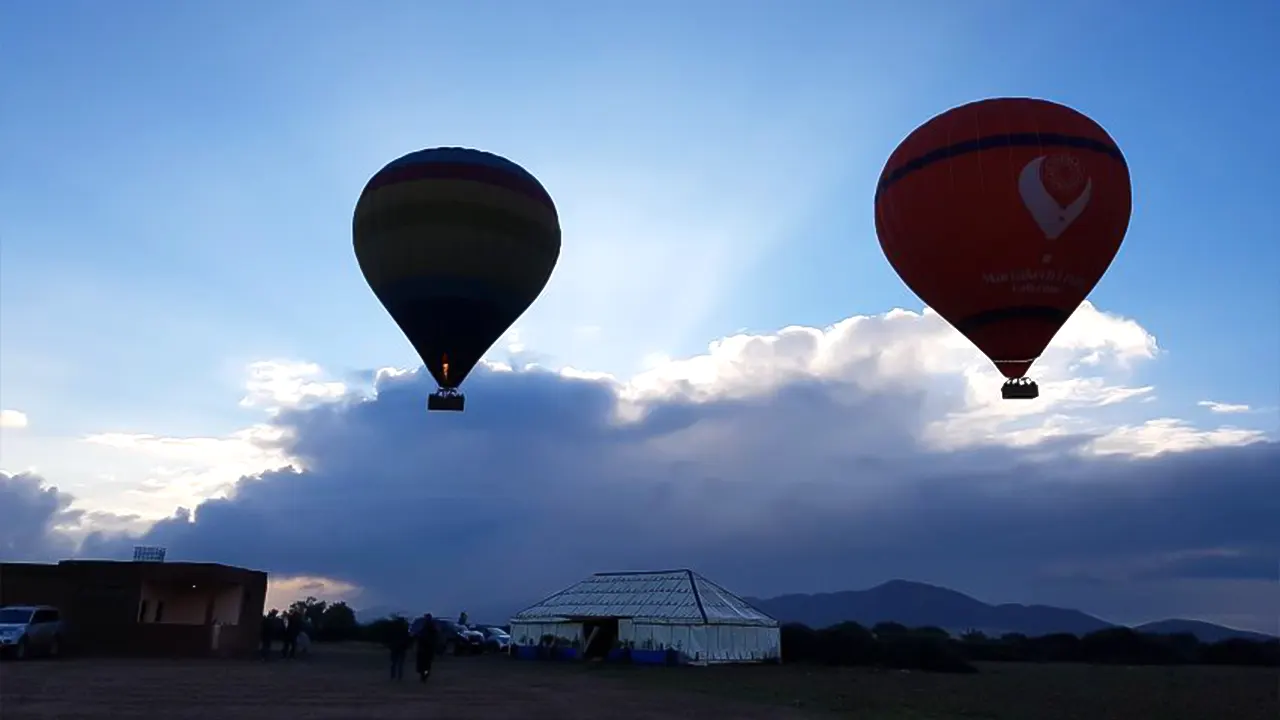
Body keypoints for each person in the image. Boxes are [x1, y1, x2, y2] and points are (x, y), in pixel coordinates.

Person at [414, 613, 439, 683]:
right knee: (427, 665)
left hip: (424, 649)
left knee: (424, 665)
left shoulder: (425, 628)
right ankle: (425, 675)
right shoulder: (432, 628)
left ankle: (424, 676)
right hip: (428, 649)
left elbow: (420, 637)